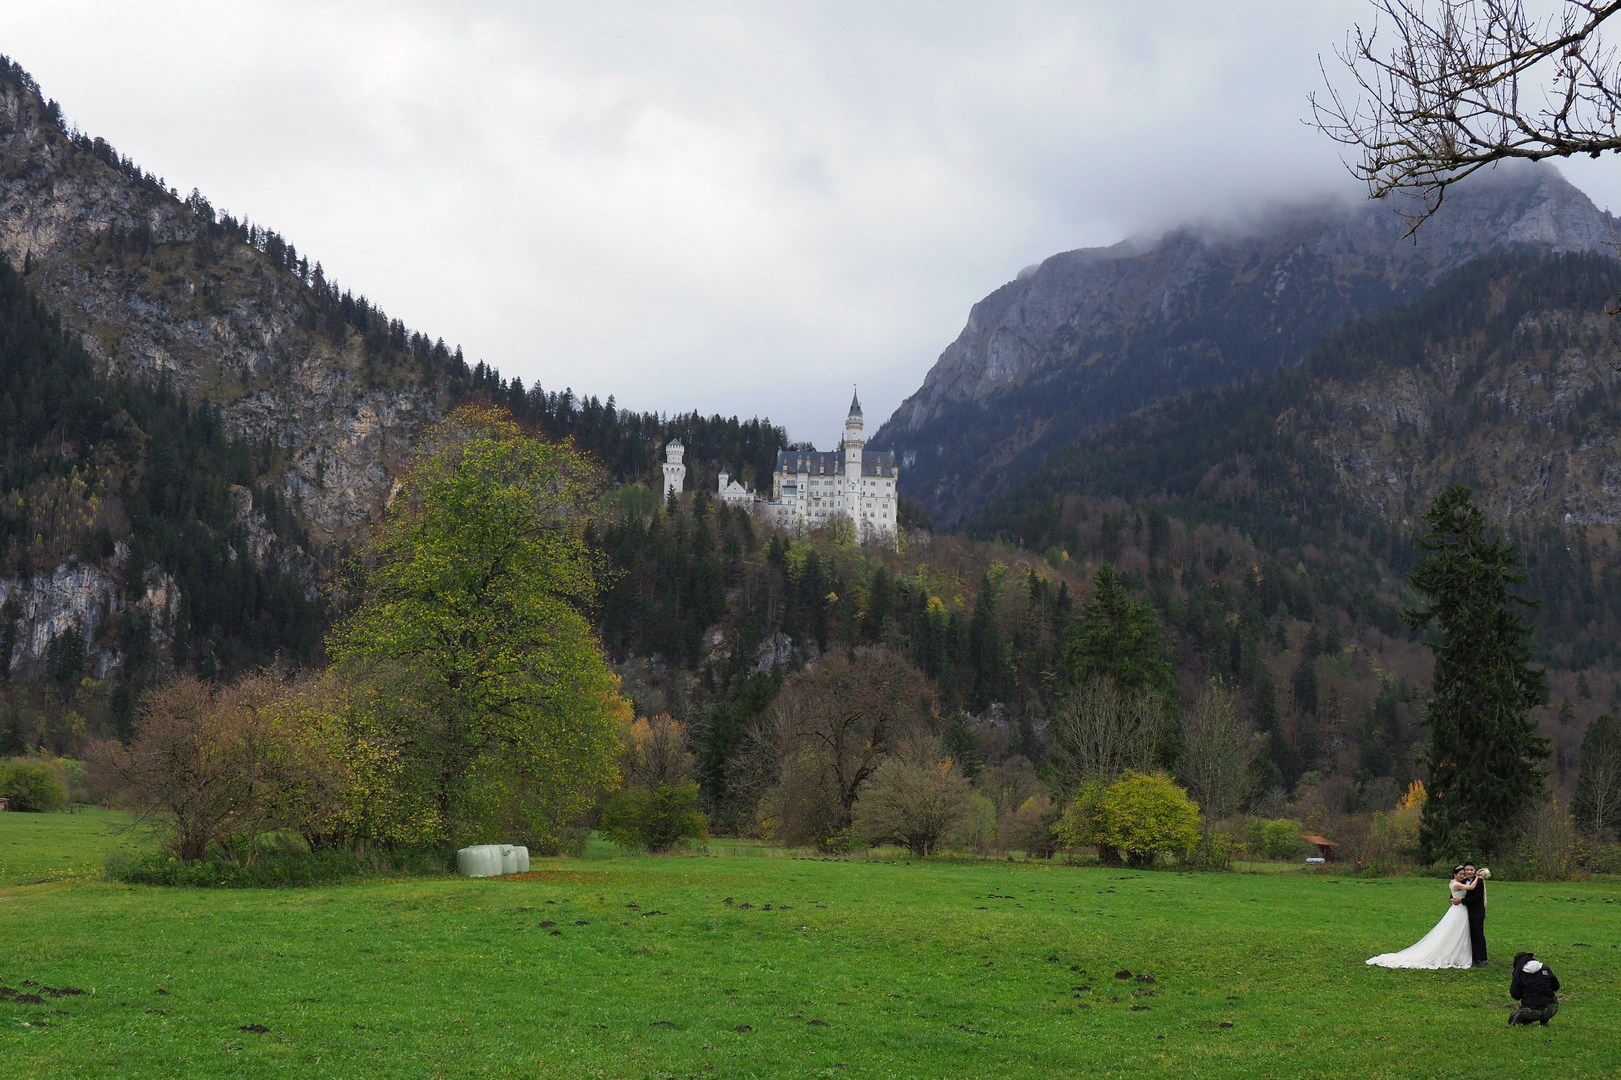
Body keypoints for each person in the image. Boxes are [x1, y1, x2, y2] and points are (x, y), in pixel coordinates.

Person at [1366, 868, 1477, 968]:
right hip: (1458, 910)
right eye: (1460, 874)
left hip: (1460, 909)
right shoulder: (1456, 884)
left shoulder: (1456, 882)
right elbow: (1471, 887)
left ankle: (1456, 952)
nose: (1463, 876)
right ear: (1454, 874)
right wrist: (1478, 877)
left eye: (1463, 874)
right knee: (1454, 931)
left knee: (1457, 932)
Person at [1509, 952, 1560, 1026]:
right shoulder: (1545, 968)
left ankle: (1525, 1020)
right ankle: (1544, 1021)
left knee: (1513, 1017)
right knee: (1546, 997)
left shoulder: (1519, 972)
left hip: (1530, 1011)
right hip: (1550, 1009)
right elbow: (1556, 987)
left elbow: (1515, 995)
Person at [1460, 862, 1491, 966]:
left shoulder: (1479, 882)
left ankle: (1482, 958)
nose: (1469, 872)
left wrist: (1462, 901)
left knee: (1478, 934)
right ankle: (1473, 956)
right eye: (1467, 870)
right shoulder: (1463, 881)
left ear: (1474, 871)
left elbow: (1477, 897)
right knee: (1470, 935)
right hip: (1465, 912)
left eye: (1471, 870)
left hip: (1477, 912)